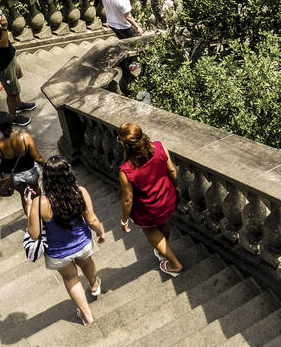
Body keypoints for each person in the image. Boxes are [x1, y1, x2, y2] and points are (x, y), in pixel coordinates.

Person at [28, 156, 104, 325]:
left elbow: (34, 234)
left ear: (46, 178)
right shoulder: (80, 192)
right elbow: (91, 220)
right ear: (69, 174)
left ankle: (87, 316)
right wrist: (101, 233)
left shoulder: (39, 203)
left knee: (71, 279)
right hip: (82, 243)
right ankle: (94, 284)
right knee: (87, 263)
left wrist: (29, 208)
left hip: (58, 253)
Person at [117, 123, 184, 276]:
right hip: (167, 198)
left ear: (123, 144)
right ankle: (163, 250)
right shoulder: (159, 147)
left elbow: (128, 200)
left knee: (150, 230)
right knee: (164, 222)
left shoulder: (126, 171)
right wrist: (176, 186)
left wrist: (124, 220)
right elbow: (172, 171)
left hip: (149, 209)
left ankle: (175, 264)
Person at [0, 110, 45, 214]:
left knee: (23, 196)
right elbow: (38, 158)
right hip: (31, 173)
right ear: (11, 122)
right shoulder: (25, 138)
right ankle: (44, 214)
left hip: (14, 178)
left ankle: (30, 220)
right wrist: (47, 167)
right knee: (37, 192)